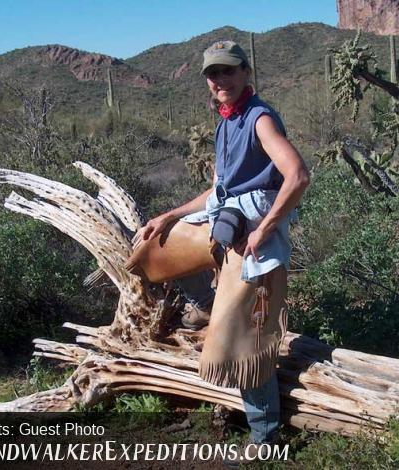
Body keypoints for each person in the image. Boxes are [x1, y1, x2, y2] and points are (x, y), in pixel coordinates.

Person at [133, 40, 310, 465]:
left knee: (246, 342)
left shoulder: (259, 118)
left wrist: (265, 228)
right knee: (154, 250)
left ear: (245, 73)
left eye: (228, 71)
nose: (220, 80)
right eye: (213, 74)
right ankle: (205, 304)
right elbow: (220, 190)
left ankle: (264, 437)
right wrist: (171, 216)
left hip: (254, 241)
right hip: (229, 224)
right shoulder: (226, 121)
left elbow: (298, 175)